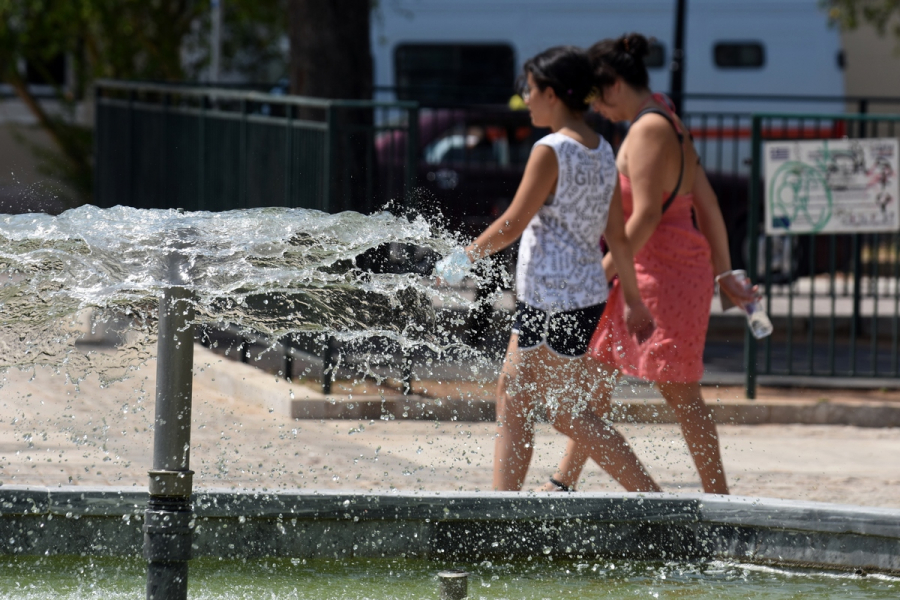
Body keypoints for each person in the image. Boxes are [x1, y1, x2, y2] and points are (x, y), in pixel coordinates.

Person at [436, 45, 661, 492]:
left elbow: (512, 223)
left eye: (531, 89)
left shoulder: (551, 149)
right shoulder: (601, 149)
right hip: (580, 296)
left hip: (551, 297)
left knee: (564, 411)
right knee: (516, 396)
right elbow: (617, 236)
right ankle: (504, 510)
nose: (525, 99)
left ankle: (655, 503)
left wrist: (461, 259)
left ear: (553, 94)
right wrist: (632, 301)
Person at [540, 34, 756, 495]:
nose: (597, 109)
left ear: (615, 85)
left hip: (664, 275)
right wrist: (724, 273)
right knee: (595, 377)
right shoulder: (666, 118)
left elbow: (647, 217)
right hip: (650, 270)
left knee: (680, 392)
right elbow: (708, 204)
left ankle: (718, 502)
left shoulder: (649, 129)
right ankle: (563, 481)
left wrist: (594, 277)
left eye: (598, 97)